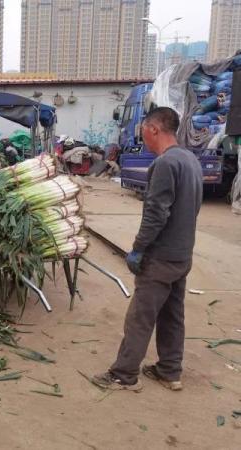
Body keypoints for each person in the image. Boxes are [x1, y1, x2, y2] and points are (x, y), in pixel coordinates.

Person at [92, 107, 203, 392]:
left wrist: (139, 249)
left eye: (143, 130)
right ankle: (169, 370)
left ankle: (123, 375)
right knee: (172, 314)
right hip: (182, 254)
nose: (142, 136)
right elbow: (194, 207)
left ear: (154, 129)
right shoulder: (191, 160)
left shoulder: (165, 164)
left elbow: (156, 214)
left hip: (161, 257)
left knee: (141, 316)